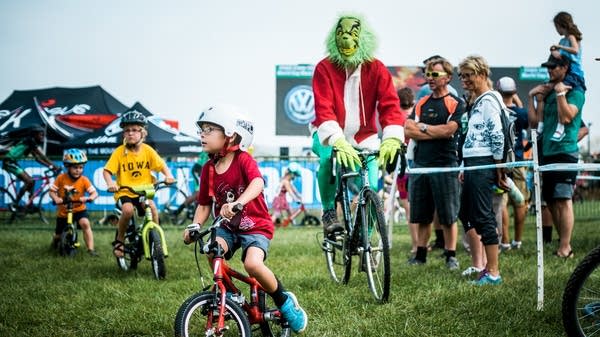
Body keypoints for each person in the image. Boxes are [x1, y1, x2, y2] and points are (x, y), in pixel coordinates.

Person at [182, 104, 307, 333]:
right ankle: (230, 294)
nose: (202, 134)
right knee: (211, 249)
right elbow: (203, 204)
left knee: (252, 264)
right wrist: (195, 225)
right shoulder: (208, 169)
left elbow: (258, 183)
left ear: (230, 133)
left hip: (255, 225)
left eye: (210, 129)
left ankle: (284, 301)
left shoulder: (243, 160)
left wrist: (239, 202)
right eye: (202, 129)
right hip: (227, 227)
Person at [311, 14, 406, 235]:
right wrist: (337, 140)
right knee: (327, 160)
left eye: (353, 34)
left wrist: (392, 136)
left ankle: (367, 239)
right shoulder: (324, 68)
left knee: (372, 188)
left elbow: (390, 105)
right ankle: (329, 212)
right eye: (341, 34)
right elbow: (323, 108)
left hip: (365, 137)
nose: (346, 40)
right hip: (327, 132)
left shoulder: (378, 69)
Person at [404, 57, 465, 270]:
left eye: (435, 75)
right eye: (428, 74)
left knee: (448, 216)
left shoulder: (456, 103)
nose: (430, 78)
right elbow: (408, 129)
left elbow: (450, 131)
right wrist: (432, 131)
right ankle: (420, 254)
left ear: (447, 77)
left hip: (446, 165)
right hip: (421, 165)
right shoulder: (421, 102)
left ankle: (451, 255)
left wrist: (423, 129)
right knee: (421, 215)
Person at [528, 52, 585, 259]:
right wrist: (534, 98)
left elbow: (567, 117)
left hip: (564, 151)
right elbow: (535, 123)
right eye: (548, 67)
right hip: (546, 151)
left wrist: (561, 94)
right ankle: (563, 244)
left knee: (563, 198)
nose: (549, 70)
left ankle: (565, 246)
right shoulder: (549, 91)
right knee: (551, 201)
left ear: (565, 68)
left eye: (554, 67)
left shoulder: (575, 92)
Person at [458, 55, 508, 285]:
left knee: (483, 214)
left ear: (482, 74)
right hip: (471, 163)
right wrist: (462, 164)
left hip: (483, 163)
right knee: (466, 213)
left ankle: (494, 272)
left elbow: (497, 135)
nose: (464, 80)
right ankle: (485, 266)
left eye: (468, 75)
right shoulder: (477, 101)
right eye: (462, 76)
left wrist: (499, 168)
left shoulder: (489, 100)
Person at [103, 110, 176, 258]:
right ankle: (120, 240)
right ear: (123, 134)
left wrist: (168, 175)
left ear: (143, 133)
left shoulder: (147, 151)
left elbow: (161, 165)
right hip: (125, 191)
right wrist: (111, 183)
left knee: (153, 209)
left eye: (135, 130)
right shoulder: (119, 152)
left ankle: (155, 240)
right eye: (127, 130)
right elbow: (107, 171)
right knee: (128, 210)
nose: (131, 133)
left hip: (144, 191)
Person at [495, 77, 529, 252]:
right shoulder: (521, 113)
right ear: (514, 92)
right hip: (518, 161)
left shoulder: (496, 111)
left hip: (501, 161)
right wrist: (518, 101)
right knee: (520, 202)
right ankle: (518, 240)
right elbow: (526, 119)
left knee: (502, 202)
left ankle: (505, 241)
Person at [49, 149, 99, 256]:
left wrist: (89, 198)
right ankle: (55, 242)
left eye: (81, 168)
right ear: (68, 167)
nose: (78, 170)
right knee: (58, 235)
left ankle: (91, 249)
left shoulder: (84, 180)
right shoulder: (61, 178)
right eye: (75, 167)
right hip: (64, 211)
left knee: (85, 224)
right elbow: (52, 191)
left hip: (79, 209)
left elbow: (95, 193)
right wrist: (56, 198)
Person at [547, 11, 586, 142]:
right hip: (567, 73)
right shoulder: (562, 40)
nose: (557, 30)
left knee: (561, 93)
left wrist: (559, 46)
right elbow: (559, 55)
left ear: (561, 25)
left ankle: (560, 127)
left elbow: (575, 50)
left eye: (557, 27)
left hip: (574, 73)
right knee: (558, 96)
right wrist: (554, 50)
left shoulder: (570, 37)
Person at [1, 124, 59, 211]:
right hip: (9, 162)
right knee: (29, 181)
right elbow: (42, 156)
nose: (42, 136)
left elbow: (37, 159)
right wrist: (55, 166)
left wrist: (50, 166)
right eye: (41, 134)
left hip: (13, 162)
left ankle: (30, 205)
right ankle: (15, 203)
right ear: (34, 134)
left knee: (32, 182)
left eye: (43, 134)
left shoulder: (31, 142)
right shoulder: (30, 141)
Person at [396, 87, 418, 255]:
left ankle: (416, 245)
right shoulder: (418, 113)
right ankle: (421, 244)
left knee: (408, 206)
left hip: (401, 164)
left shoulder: (396, 115)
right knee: (418, 206)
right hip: (417, 162)